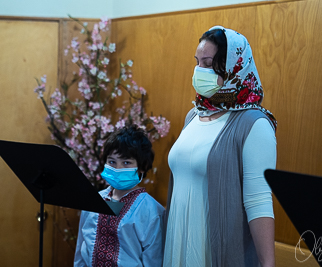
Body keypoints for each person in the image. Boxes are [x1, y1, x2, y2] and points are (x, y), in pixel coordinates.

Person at [163, 26, 277, 267]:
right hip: (178, 242)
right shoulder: (194, 115)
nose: (198, 71)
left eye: (207, 63)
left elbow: (259, 201)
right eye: (197, 62)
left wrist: (268, 263)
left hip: (213, 250)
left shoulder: (254, 124)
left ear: (234, 66)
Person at [74, 125, 165, 267]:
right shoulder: (93, 200)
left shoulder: (152, 211)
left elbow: (153, 260)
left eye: (126, 163)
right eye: (112, 162)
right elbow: (81, 249)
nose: (118, 168)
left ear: (141, 166)